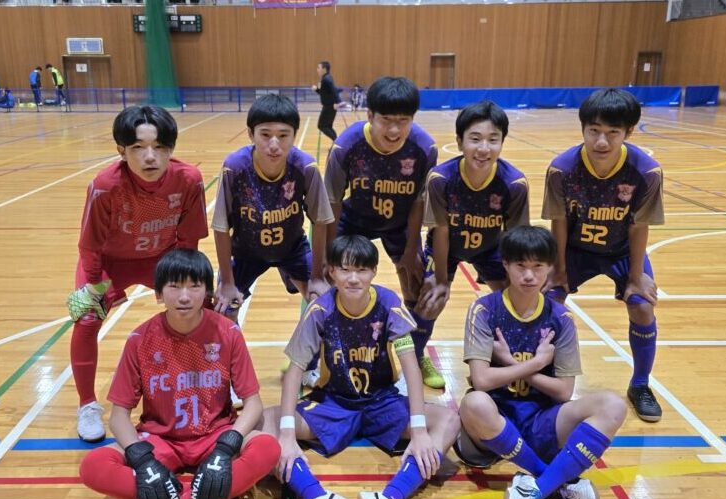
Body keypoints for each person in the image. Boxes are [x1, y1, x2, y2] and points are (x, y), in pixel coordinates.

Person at [78, 248, 280, 499]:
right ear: (158, 294)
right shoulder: (140, 339)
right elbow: (118, 417)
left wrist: (227, 447)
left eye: (194, 286)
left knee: (268, 448)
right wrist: (143, 461)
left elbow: (253, 405)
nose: (184, 296)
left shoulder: (227, 333)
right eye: (174, 286)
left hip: (215, 435)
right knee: (93, 466)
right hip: (161, 440)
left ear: (207, 291)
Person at [261, 235, 460, 499]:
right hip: (334, 404)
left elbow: (410, 366)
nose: (353, 278)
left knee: (449, 420)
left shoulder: (388, 303)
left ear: (374, 272)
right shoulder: (320, 309)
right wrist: (286, 435)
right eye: (345, 269)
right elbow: (295, 371)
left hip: (382, 403)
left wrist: (420, 430)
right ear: (332, 272)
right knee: (265, 423)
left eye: (362, 270)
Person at [459, 225, 626, 499]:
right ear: (505, 265)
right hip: (494, 421)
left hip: (542, 420)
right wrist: (534, 364)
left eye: (538, 266)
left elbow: (563, 391)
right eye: (520, 266)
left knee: (613, 405)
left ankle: (537, 489)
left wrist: (512, 364)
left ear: (550, 268)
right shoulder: (484, 310)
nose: (529, 275)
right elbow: (481, 381)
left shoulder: (561, 318)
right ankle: (556, 480)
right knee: (474, 403)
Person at [66, 105, 209, 443]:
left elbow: (189, 241)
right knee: (86, 317)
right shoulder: (104, 186)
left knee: (201, 308)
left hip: (161, 258)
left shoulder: (189, 179)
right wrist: (97, 286)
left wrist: (184, 283)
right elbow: (90, 247)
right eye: (138, 148)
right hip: (109, 262)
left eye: (159, 147)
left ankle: (208, 386)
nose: (150, 157)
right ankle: (87, 405)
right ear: (121, 151)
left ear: (171, 149)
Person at [541, 88, 665, 422]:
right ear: (582, 128)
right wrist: (559, 269)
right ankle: (547, 382)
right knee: (548, 303)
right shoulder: (562, 169)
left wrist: (636, 277)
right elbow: (559, 222)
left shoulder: (646, 172)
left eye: (612, 132)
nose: (601, 141)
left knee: (642, 306)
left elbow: (639, 226)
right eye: (594, 130)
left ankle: (640, 384)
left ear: (629, 132)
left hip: (621, 250)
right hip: (575, 249)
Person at [324, 76, 443, 389]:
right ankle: (329, 354)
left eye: (402, 121)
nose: (393, 130)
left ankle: (417, 353)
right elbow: (332, 202)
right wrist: (330, 253)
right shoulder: (347, 146)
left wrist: (411, 251)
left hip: (400, 221)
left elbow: (419, 201)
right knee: (331, 281)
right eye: (386, 120)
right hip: (355, 218)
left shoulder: (424, 148)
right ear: (369, 116)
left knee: (421, 285)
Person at [418, 100, 530, 364]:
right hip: (447, 247)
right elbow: (441, 231)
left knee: (515, 299)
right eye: (475, 139)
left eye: (493, 140)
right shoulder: (441, 179)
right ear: (459, 142)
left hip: (491, 249)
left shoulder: (514, 183)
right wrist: (441, 280)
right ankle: (418, 357)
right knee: (431, 299)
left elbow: (516, 240)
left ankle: (507, 357)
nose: (483, 148)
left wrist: (519, 280)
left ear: (502, 142)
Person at [211, 94, 333, 323]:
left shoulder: (306, 167)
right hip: (246, 253)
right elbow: (221, 227)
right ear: (251, 134)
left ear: (294, 135)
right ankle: (234, 347)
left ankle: (308, 347)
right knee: (223, 309)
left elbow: (320, 221)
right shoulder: (234, 168)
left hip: (293, 249)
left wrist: (317, 276)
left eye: (283, 135)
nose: (274, 145)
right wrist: (226, 282)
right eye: (265, 135)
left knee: (325, 304)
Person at [313, 61, 339, 141]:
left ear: (324, 69)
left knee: (321, 126)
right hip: (328, 106)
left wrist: (336, 102)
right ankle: (337, 142)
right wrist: (316, 90)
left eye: (319, 68)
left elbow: (334, 91)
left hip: (329, 107)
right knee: (328, 126)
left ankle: (337, 141)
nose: (317, 69)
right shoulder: (325, 79)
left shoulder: (326, 79)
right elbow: (323, 93)